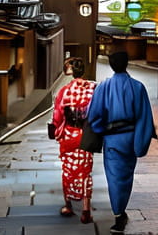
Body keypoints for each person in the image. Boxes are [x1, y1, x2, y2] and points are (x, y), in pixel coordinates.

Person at [87, 50, 155, 234]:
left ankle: (118, 214)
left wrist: (103, 130)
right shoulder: (137, 87)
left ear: (111, 65)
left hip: (112, 140)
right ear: (127, 63)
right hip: (131, 138)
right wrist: (140, 143)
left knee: (114, 178)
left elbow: (93, 115)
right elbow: (144, 118)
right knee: (126, 177)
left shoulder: (103, 87)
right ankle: (121, 209)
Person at [51, 57, 97, 223]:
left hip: (69, 134)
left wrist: (57, 129)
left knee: (68, 170)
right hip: (86, 135)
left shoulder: (64, 91)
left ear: (71, 72)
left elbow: (57, 116)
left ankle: (68, 205)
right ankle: (86, 209)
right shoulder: (93, 88)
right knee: (85, 171)